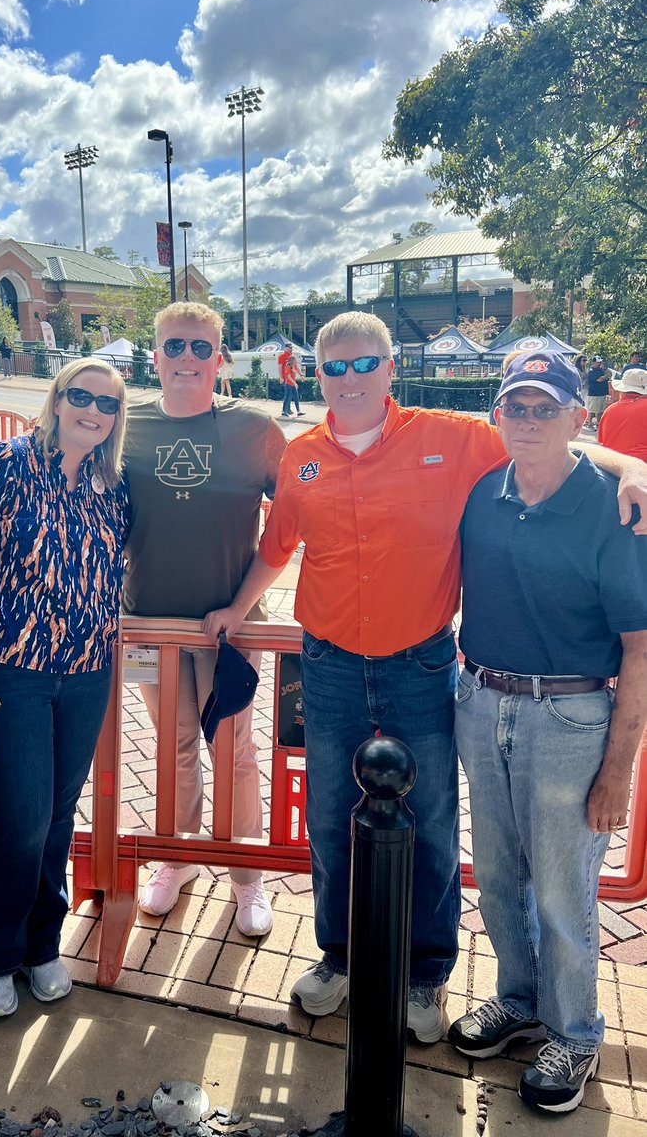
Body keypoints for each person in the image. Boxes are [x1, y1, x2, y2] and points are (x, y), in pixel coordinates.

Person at [202, 312, 647, 1037]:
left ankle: (426, 973)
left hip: (421, 663)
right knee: (329, 818)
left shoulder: (452, 437)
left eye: (364, 364)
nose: (350, 378)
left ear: (389, 369)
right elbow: (278, 546)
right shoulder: (302, 456)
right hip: (329, 664)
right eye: (335, 367)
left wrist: (632, 467)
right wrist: (235, 607)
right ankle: (340, 955)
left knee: (433, 823)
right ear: (317, 374)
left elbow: (548, 436)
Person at [448, 352, 647, 1114]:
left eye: (545, 408)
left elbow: (639, 648)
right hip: (482, 700)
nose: (528, 421)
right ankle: (519, 999)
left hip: (570, 717)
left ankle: (575, 1030)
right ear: (497, 415)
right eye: (516, 407)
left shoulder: (611, 508)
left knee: (565, 890)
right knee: (499, 873)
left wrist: (619, 769)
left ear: (577, 416)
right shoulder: (483, 491)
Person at [0, 359, 130, 1020]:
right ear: (57, 400)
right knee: (21, 820)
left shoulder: (112, 486)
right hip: (14, 669)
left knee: (59, 816)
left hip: (88, 670)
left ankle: (42, 945)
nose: (93, 410)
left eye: (108, 404)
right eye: (81, 396)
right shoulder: (2, 464)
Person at [124, 301, 286, 937]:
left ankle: (246, 873)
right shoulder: (128, 425)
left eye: (200, 347)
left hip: (230, 630)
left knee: (233, 748)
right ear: (155, 356)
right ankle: (177, 855)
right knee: (173, 745)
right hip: (152, 627)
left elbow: (294, 522)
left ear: (220, 358)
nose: (186, 358)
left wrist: (242, 605)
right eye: (174, 346)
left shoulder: (255, 429)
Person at [598, 367, 647, 461]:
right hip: (641, 464)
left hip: (612, 465)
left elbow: (602, 441)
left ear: (621, 390)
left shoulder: (609, 410)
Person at [585, 356, 610, 429]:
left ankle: (598, 423)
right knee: (592, 410)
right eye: (598, 362)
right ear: (593, 363)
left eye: (600, 362)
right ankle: (589, 424)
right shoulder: (591, 371)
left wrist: (605, 369)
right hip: (594, 394)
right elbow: (599, 379)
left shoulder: (602, 370)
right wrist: (605, 376)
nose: (599, 364)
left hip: (602, 393)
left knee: (600, 410)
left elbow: (610, 374)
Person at [281, 353, 305, 419]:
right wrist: (294, 383)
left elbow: (297, 370)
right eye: (295, 360)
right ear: (292, 360)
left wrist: (301, 376)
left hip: (293, 384)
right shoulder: (288, 366)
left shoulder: (293, 366)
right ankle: (284, 411)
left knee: (296, 397)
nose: (296, 361)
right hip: (288, 384)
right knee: (287, 398)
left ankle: (298, 411)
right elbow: (288, 376)